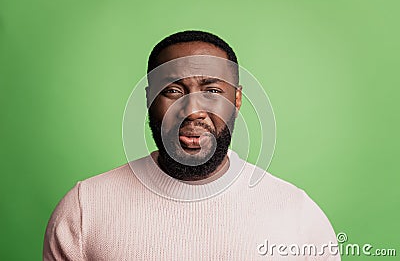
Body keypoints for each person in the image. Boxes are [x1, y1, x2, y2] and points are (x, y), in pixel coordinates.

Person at [43, 30, 340, 260]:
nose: (192, 110)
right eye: (172, 90)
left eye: (211, 90)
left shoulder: (295, 212)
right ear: (149, 98)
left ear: (236, 99)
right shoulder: (84, 209)